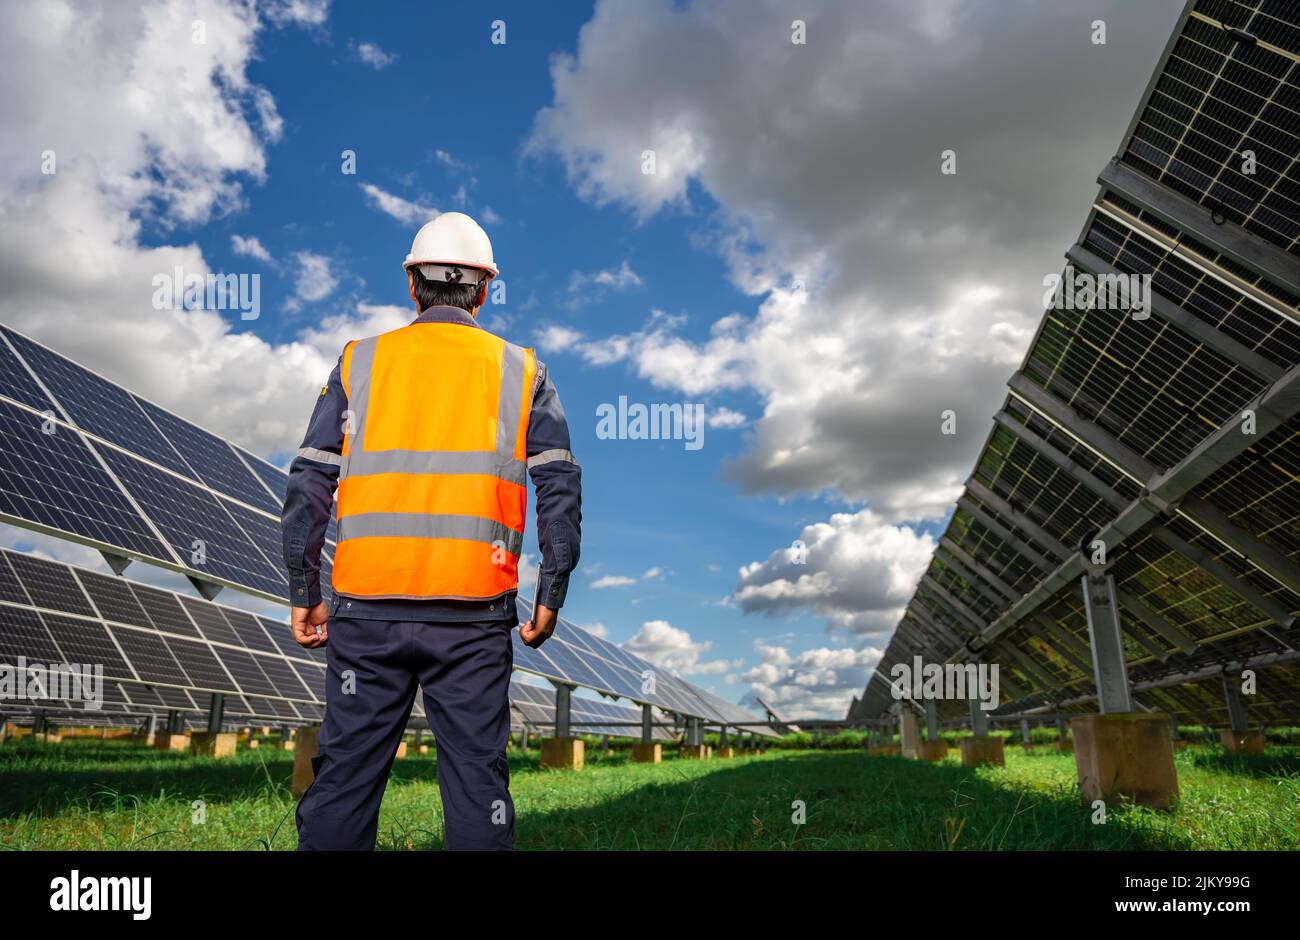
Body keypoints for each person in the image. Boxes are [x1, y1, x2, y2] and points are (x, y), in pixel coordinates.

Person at [281, 211, 581, 850]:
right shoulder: (524, 370)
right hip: (474, 615)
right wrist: (551, 589)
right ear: (484, 289)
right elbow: (558, 486)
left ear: (412, 285)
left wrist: (303, 584)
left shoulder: (360, 361)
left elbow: (310, 479)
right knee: (477, 783)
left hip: (364, 610)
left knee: (344, 777)